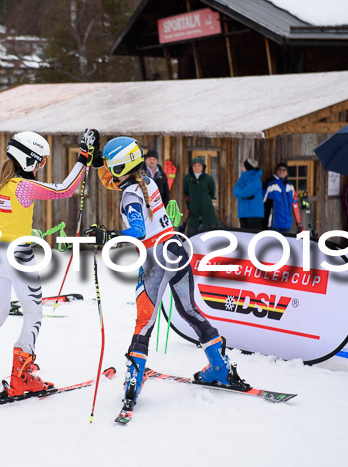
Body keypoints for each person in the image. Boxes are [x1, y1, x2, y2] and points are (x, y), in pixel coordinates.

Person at [86, 136, 248, 412]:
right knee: (189, 310)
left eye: (113, 167)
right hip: (176, 247)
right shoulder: (145, 180)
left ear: (120, 167)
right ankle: (219, 367)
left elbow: (136, 230)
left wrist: (108, 235)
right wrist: (98, 158)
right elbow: (111, 178)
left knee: (144, 322)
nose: (110, 174)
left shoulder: (130, 195)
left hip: (154, 259)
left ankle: (132, 383)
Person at [0, 129, 94, 398]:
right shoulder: (25, 186)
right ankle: (22, 379)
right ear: (29, 159)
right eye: (40, 161)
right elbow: (65, 190)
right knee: (33, 314)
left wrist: (22, 228)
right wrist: (82, 158)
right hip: (19, 256)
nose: (41, 167)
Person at [183, 156, 218, 235]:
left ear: (203, 167)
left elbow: (212, 192)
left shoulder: (208, 178)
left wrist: (206, 201)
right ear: (192, 167)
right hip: (194, 209)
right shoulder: (187, 178)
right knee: (191, 233)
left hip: (207, 209)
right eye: (195, 166)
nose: (197, 167)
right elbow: (186, 193)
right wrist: (189, 206)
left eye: (199, 166)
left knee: (208, 233)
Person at [263, 163, 300, 233]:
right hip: (274, 223)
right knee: (274, 243)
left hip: (287, 223)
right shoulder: (271, 184)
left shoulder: (290, 186)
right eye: (279, 169)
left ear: (287, 172)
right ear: (276, 171)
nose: (281, 172)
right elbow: (262, 201)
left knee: (285, 243)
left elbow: (294, 202)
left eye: (284, 170)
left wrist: (298, 222)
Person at [233, 157, 263, 230]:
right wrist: (240, 194)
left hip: (253, 213)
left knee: (254, 237)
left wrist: (239, 194)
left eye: (243, 166)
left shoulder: (256, 179)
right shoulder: (243, 177)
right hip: (243, 212)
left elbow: (243, 193)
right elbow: (235, 190)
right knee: (245, 237)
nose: (242, 168)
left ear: (247, 167)